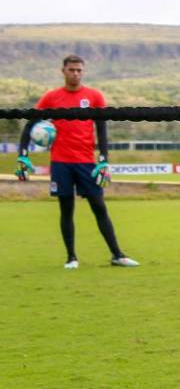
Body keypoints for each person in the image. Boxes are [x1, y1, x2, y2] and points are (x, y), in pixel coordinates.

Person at [15, 55, 138, 269]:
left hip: (87, 163)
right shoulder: (51, 98)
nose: (76, 74)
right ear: (63, 71)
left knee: (99, 207)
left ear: (84, 72)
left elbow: (102, 129)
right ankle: (71, 258)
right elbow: (29, 126)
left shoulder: (94, 97)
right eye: (71, 70)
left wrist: (103, 159)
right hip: (61, 162)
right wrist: (23, 155)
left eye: (79, 70)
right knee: (66, 209)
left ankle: (117, 255)